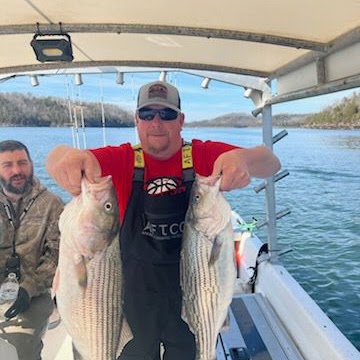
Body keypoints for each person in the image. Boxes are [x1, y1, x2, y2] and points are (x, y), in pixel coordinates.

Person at [46, 80, 281, 360]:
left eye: (167, 114)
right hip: (133, 293)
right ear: (136, 120)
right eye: (147, 114)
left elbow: (270, 162)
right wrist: (64, 156)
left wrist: (242, 158)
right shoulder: (121, 159)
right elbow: (59, 158)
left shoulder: (201, 155)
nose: (156, 122)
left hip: (193, 291)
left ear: (181, 120)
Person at [0, 140, 64, 360]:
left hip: (34, 293)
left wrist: (29, 287)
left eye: (22, 163)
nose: (17, 170)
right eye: (7, 165)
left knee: (20, 347)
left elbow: (56, 256)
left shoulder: (51, 204)